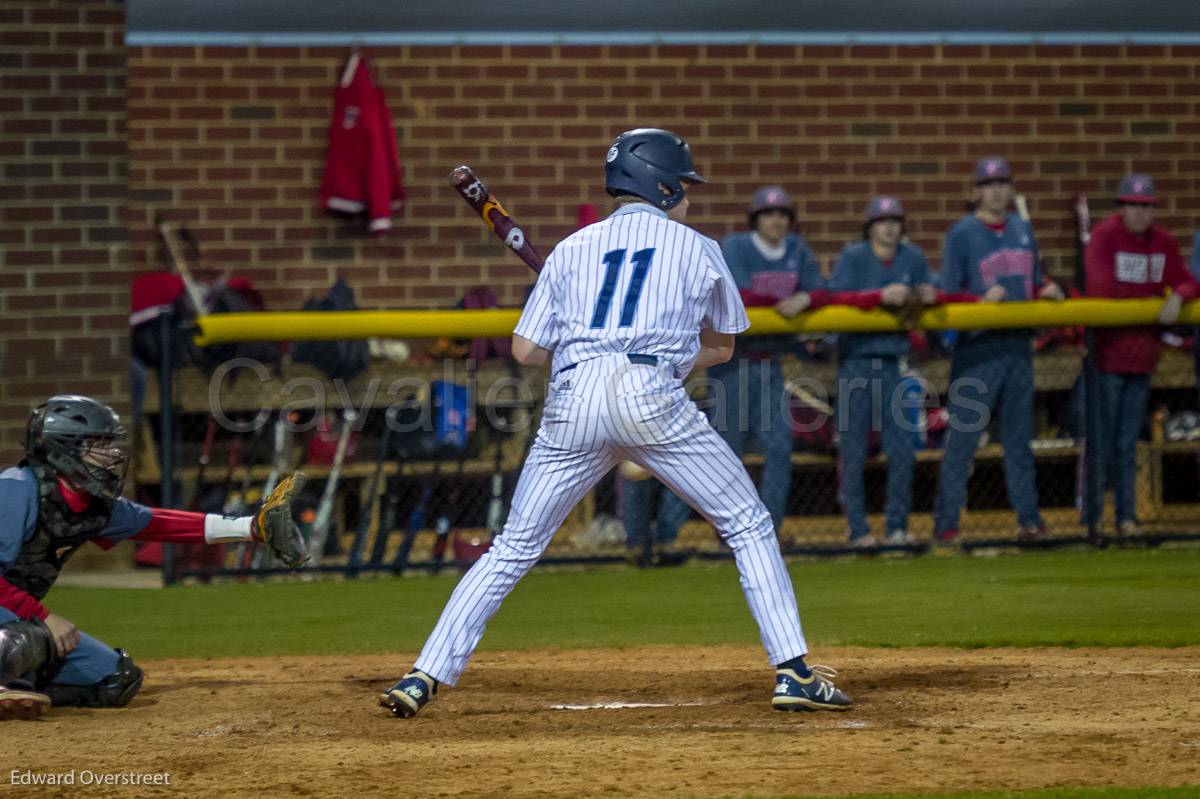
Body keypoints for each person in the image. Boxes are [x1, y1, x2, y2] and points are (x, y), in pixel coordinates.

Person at [380, 128, 852, 718]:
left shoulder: (572, 251)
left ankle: (423, 674)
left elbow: (526, 352)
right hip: (651, 392)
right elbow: (724, 347)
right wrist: (668, 354)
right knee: (748, 523)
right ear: (657, 185)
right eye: (681, 185)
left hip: (573, 397)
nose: (688, 196)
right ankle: (794, 673)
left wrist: (589, 350)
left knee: (513, 548)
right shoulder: (697, 246)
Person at [0, 395, 306, 720]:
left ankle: (17, 682)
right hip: (18, 620)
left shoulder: (89, 504)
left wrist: (252, 528)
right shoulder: (15, 491)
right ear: (63, 449)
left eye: (110, 443)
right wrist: (43, 616)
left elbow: (158, 523)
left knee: (115, 679)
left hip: (14, 617)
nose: (113, 453)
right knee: (26, 638)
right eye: (98, 443)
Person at [932, 157, 1064, 544]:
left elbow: (1033, 282)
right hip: (978, 351)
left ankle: (1029, 521)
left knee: (1020, 440)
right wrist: (978, 301)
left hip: (1018, 348)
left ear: (1011, 189)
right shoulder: (962, 233)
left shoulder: (1022, 229)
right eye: (988, 184)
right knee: (963, 443)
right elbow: (946, 294)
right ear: (976, 191)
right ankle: (946, 526)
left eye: (1003, 183)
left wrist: (1047, 292)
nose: (996, 190)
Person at [1085, 175, 1197, 536]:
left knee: (1128, 442)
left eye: (1145, 206)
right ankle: (1092, 521)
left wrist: (1178, 295)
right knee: (1101, 443)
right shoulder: (1104, 236)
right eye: (1132, 205)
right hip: (1106, 359)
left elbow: (1190, 279)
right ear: (1121, 207)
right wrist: (1153, 300)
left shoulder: (1162, 241)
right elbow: (1101, 286)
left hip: (1143, 359)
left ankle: (1126, 518)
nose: (1139, 212)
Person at [827, 197, 936, 547]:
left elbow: (931, 293)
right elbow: (836, 299)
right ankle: (858, 530)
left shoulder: (912, 257)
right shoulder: (854, 257)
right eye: (881, 221)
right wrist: (878, 295)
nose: (888, 227)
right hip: (856, 362)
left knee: (902, 449)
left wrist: (925, 294)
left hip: (895, 363)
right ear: (870, 227)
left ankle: (897, 527)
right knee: (854, 451)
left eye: (895, 221)